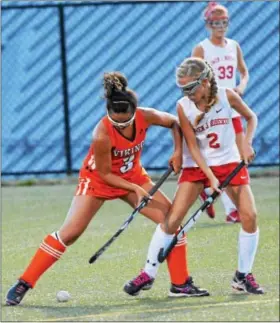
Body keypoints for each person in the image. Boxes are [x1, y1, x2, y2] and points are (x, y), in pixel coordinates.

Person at [6, 72, 208, 306]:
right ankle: (24, 282)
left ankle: (180, 283)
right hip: (98, 181)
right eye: (116, 122)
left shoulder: (146, 116)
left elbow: (174, 123)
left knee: (172, 222)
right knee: (70, 233)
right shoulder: (101, 134)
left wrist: (177, 151)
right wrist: (135, 188)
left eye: (126, 121)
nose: (121, 126)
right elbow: (104, 174)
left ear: (135, 111)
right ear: (109, 115)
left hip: (133, 176)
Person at [126, 58, 264, 295]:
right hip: (197, 165)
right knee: (173, 219)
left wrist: (248, 144)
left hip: (229, 161)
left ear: (205, 81)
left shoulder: (227, 96)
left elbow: (251, 117)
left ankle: (243, 275)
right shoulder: (183, 106)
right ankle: (148, 274)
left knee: (250, 216)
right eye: (183, 89)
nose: (187, 93)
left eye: (191, 87)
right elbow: (193, 145)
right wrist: (210, 179)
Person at [192, 1, 250, 223]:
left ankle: (221, 200)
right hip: (211, 108)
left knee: (236, 155)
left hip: (230, 105)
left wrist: (241, 87)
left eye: (223, 21)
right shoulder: (202, 48)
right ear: (208, 24)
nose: (220, 25)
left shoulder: (233, 46)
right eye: (215, 22)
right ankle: (215, 195)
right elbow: (192, 77)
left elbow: (244, 72)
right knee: (217, 156)